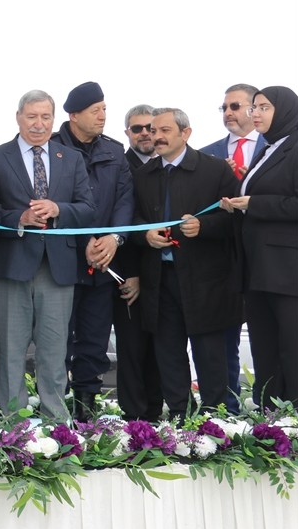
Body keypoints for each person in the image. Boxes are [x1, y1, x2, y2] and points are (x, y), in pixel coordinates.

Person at [0, 89, 95, 420]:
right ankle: (12, 428)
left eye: (45, 117)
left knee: (54, 351)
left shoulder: (71, 158)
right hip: (12, 266)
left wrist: (58, 209)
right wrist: (19, 218)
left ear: (54, 119)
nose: (39, 124)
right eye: (32, 116)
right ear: (18, 117)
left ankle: (57, 426)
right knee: (11, 352)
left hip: (57, 268)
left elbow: (88, 208)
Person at [133, 107, 239, 418]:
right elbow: (132, 219)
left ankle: (216, 419)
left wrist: (204, 226)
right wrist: (145, 235)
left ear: (186, 133)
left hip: (205, 279)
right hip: (160, 277)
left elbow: (235, 220)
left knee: (210, 352)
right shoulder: (143, 175)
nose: (157, 137)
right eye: (154, 131)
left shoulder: (215, 170)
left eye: (164, 130)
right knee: (168, 352)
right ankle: (180, 417)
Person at [51, 82, 134, 420]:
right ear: (74, 115)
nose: (102, 116)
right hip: (63, 264)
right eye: (95, 110)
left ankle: (85, 415)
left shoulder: (114, 151)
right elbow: (52, 201)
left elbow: (125, 200)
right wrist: (85, 241)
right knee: (57, 341)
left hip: (103, 263)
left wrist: (114, 238)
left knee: (94, 341)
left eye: (104, 109)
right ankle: (55, 415)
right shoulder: (51, 149)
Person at [219, 86, 298, 408]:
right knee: (266, 347)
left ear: (285, 110)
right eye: (254, 107)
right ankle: (271, 418)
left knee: (291, 347)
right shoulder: (269, 148)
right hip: (258, 267)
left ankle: (294, 416)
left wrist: (254, 203)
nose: (256, 114)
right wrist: (238, 201)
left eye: (264, 107)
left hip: (287, 270)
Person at [200, 83, 266, 414]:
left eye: (235, 106)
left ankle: (273, 410)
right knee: (222, 337)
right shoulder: (207, 154)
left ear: (255, 109)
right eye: (224, 107)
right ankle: (226, 410)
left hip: (268, 257)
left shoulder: (276, 150)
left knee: (269, 335)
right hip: (222, 259)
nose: (228, 113)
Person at [111, 104, 162, 421]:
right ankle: (135, 421)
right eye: (137, 128)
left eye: (150, 128)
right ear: (127, 133)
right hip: (127, 274)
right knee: (131, 348)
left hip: (163, 275)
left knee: (161, 348)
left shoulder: (169, 164)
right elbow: (121, 222)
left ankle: (157, 417)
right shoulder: (119, 166)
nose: (145, 133)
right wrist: (130, 273)